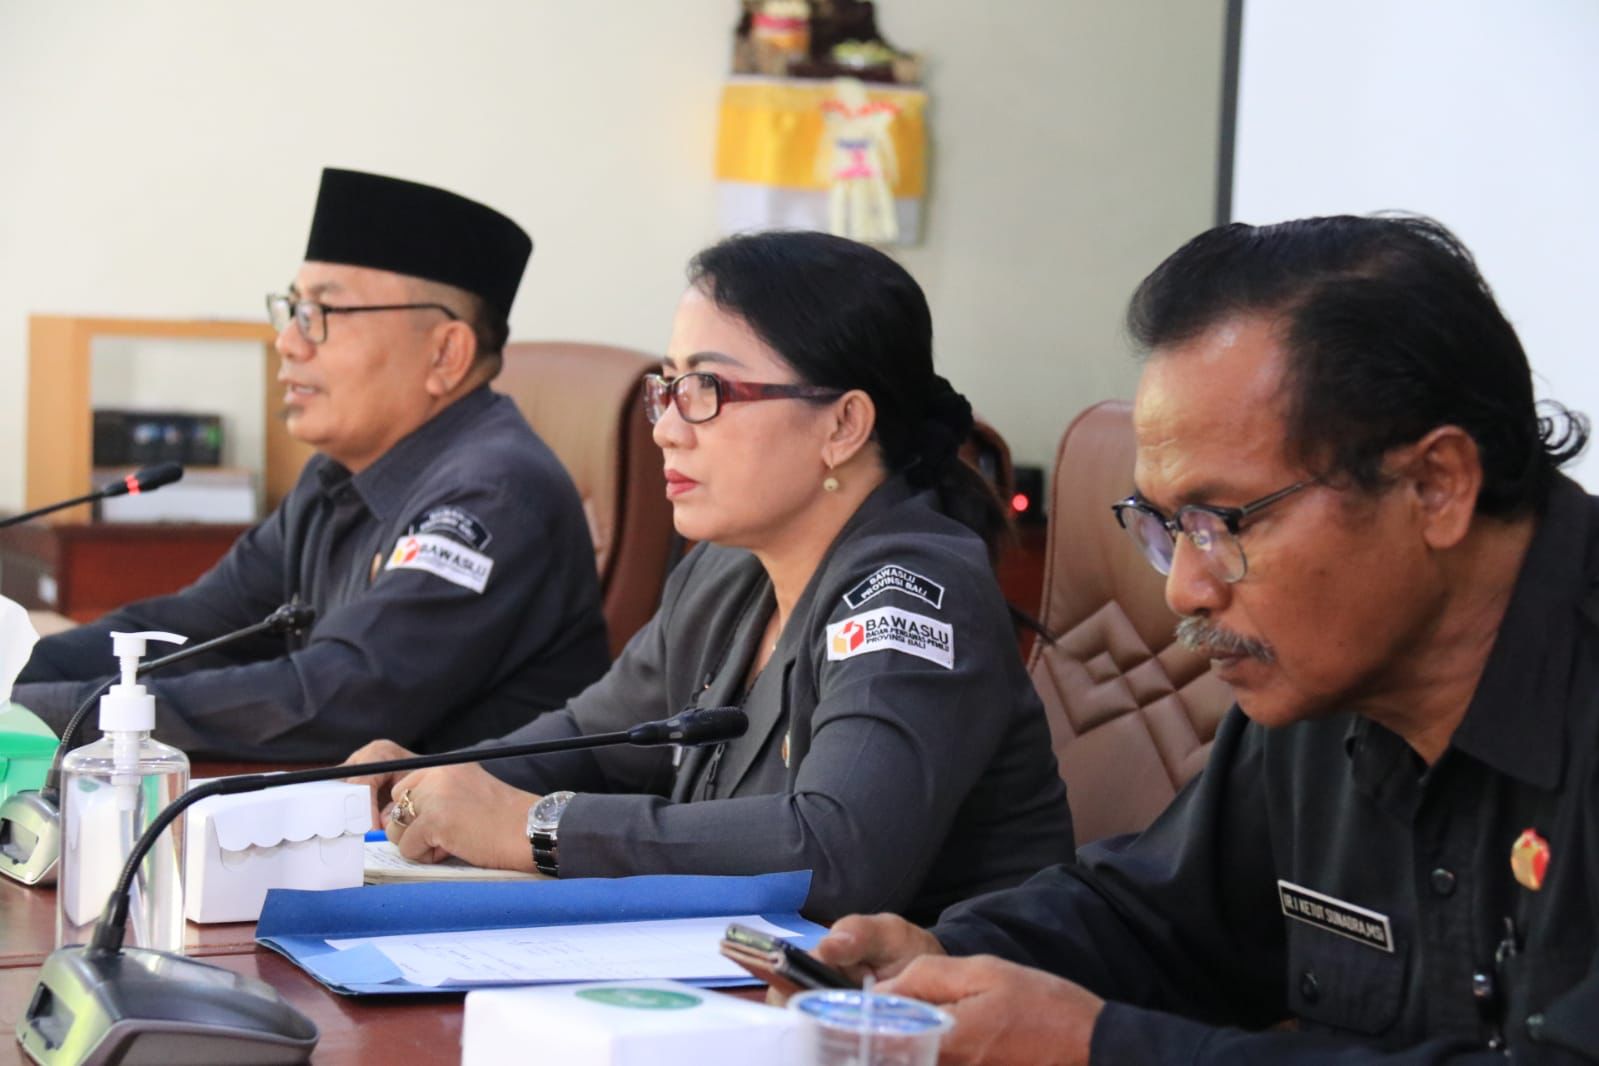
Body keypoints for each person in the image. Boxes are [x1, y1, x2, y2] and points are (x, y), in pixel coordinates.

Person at [816, 215, 1599, 1062]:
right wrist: (943, 958)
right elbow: (1157, 919)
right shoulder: (1323, 679)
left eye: (1222, 521)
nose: (1183, 588)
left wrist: (1100, 1048)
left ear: (1433, 485)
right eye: (1165, 527)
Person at [348, 230, 1075, 924]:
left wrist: (535, 827)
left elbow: (836, 852)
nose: (667, 427)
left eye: (707, 389)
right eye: (666, 388)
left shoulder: (915, 593)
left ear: (843, 425)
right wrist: (432, 778)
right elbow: (590, 740)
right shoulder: (727, 569)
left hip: (923, 997)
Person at [14, 169, 610, 760]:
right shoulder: (336, 474)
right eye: (294, 310)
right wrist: (15, 676)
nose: (289, 342)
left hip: (445, 824)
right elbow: (195, 626)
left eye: (324, 312)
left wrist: (50, 715)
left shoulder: (493, 495)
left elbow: (333, 699)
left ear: (445, 354)